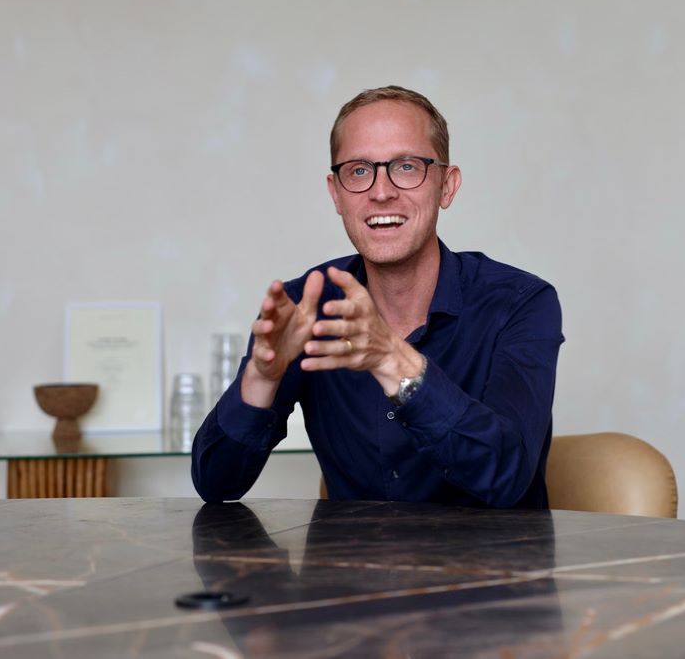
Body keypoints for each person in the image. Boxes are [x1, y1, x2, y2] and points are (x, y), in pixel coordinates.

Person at [191, 86, 563, 508]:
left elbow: (507, 475)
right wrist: (261, 378)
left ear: (447, 186)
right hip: (352, 554)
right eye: (358, 170)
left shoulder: (520, 303)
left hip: (495, 553)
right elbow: (215, 485)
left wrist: (392, 360)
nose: (381, 191)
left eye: (406, 166)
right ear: (336, 193)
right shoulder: (305, 307)